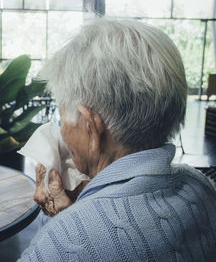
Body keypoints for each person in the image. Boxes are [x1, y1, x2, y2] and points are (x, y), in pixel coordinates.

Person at [19, 18, 216, 261]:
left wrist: (62, 226)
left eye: (62, 121)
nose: (61, 133)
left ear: (90, 126)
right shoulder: (201, 187)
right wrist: (74, 215)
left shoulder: (63, 242)